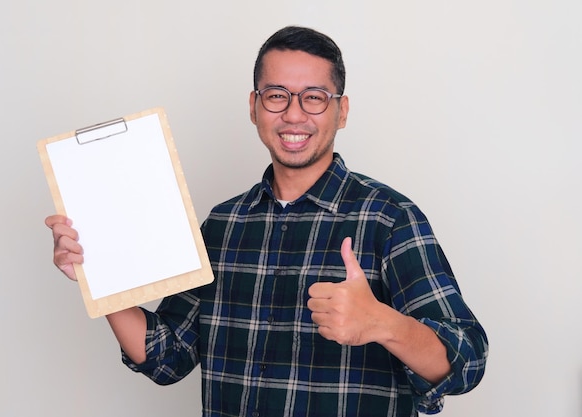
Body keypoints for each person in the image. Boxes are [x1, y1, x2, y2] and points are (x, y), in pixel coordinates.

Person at [46, 26, 488, 417]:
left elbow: (466, 360)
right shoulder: (222, 224)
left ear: (343, 110)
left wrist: (382, 322)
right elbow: (165, 356)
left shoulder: (389, 219)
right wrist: (97, 270)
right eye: (277, 95)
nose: (294, 115)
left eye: (314, 97)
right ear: (254, 106)